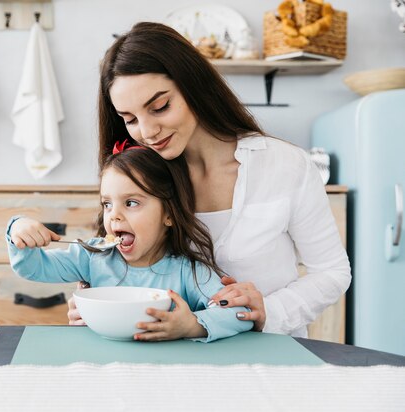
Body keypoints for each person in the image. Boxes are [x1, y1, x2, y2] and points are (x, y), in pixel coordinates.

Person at [67, 21, 351, 337]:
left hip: (268, 355)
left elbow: (332, 272)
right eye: (130, 119)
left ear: (193, 86)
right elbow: (117, 261)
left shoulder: (284, 164)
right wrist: (97, 301)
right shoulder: (142, 177)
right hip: (168, 361)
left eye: (160, 107)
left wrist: (267, 311)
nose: (147, 132)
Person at [7, 145, 253, 342]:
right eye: (107, 204)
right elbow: (32, 268)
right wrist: (18, 229)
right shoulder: (92, 256)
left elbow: (238, 314)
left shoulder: (188, 271)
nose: (113, 215)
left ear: (168, 213)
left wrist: (192, 326)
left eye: (131, 203)